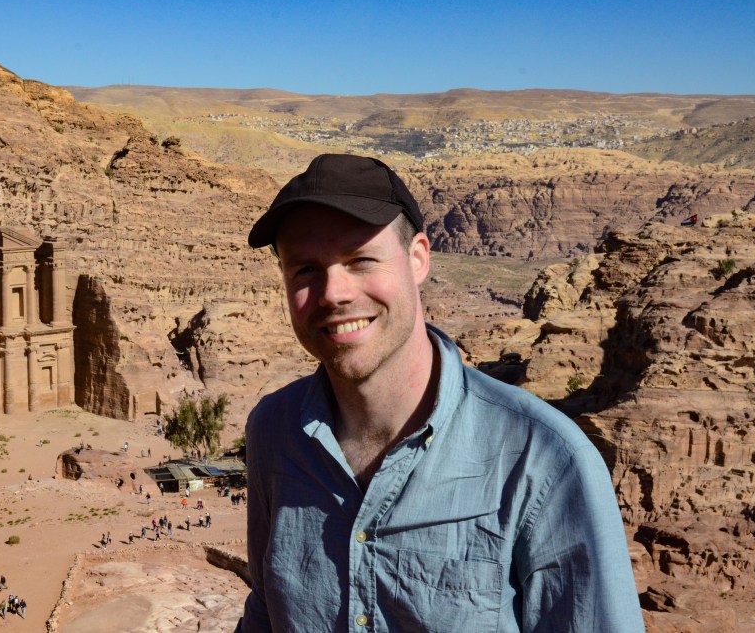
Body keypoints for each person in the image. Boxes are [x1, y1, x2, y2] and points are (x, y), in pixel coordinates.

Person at [239, 154, 644, 632]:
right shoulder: (274, 431)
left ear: (418, 259)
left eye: (360, 260)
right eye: (306, 270)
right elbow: (266, 611)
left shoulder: (543, 459)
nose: (333, 293)